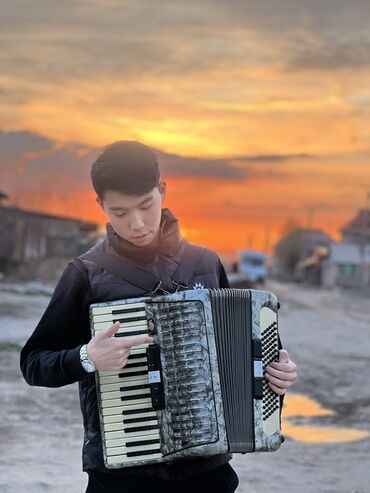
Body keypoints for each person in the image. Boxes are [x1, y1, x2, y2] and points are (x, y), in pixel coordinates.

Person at [20, 141, 297, 493]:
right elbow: (33, 363)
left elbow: (250, 357)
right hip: (122, 478)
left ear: (162, 191)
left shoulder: (205, 262)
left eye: (146, 206)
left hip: (208, 473)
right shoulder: (85, 274)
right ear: (100, 205)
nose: (136, 224)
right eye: (119, 212)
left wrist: (278, 375)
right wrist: (86, 357)